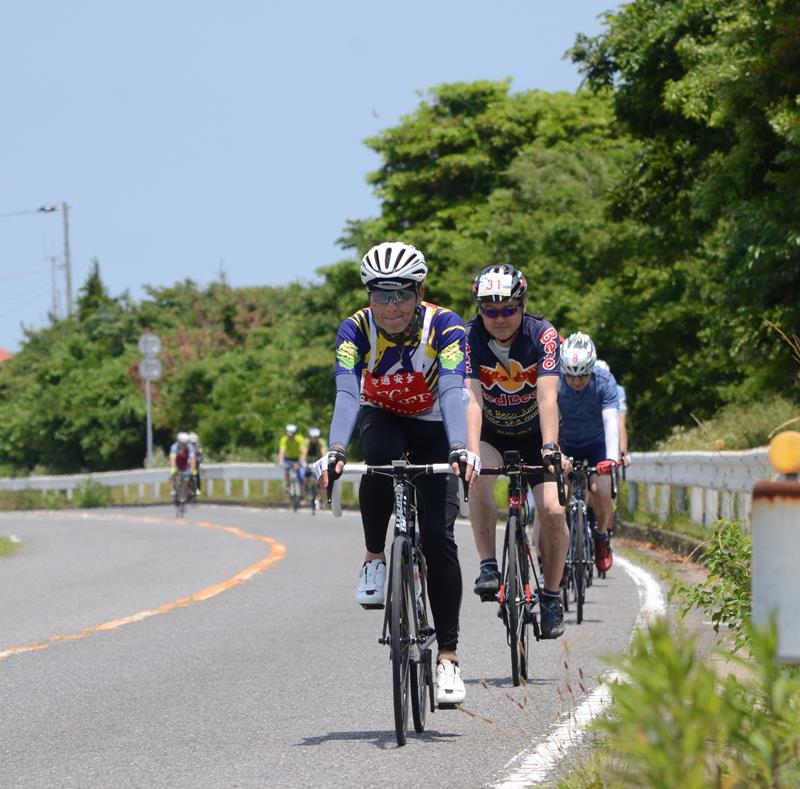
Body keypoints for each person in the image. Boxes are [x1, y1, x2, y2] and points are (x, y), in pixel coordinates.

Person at [315, 241, 478, 705]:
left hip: (434, 423)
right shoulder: (355, 330)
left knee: (438, 540)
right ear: (368, 294)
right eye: (380, 294)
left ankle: (448, 658)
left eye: (401, 294)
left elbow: (451, 390)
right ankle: (374, 557)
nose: (390, 306)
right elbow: (347, 393)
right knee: (379, 460)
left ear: (419, 291)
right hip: (380, 414)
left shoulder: (445, 327)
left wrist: (459, 449)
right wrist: (335, 449)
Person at [463, 264, 568, 639]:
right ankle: (489, 565)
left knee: (553, 510)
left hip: (536, 434)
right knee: (477, 479)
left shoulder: (543, 334)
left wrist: (551, 447)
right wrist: (471, 452)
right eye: (491, 311)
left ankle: (552, 595)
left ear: (522, 305)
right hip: (492, 432)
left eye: (509, 309)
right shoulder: (469, 337)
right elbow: (472, 400)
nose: (500, 319)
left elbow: (547, 395)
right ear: (480, 311)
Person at [558, 333, 619, 572]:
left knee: (601, 489)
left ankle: (602, 537)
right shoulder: (555, 380)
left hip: (596, 443)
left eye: (583, 374)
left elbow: (611, 421)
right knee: (559, 495)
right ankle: (559, 545)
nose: (577, 381)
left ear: (592, 368)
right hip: (566, 442)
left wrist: (611, 459)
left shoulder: (604, 381)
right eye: (571, 375)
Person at [277, 424, 306, 492]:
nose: (290, 437)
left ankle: (302, 493)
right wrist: (280, 460)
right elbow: (282, 451)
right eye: (289, 435)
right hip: (288, 458)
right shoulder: (284, 439)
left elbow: (303, 451)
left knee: (301, 475)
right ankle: (287, 484)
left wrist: (302, 460)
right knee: (286, 469)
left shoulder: (300, 439)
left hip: (297, 458)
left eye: (292, 435)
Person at [169, 431, 196, 497]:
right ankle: (174, 489)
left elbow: (192, 459)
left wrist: (192, 469)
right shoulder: (174, 447)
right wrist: (173, 468)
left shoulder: (190, 447)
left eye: (185, 443)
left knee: (187, 477)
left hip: (186, 464)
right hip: (177, 463)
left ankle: (185, 492)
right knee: (173, 474)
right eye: (182, 443)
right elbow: (172, 458)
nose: (184, 445)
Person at [304, 427, 328, 499]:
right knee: (306, 476)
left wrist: (324, 462)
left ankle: (321, 498)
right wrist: (304, 462)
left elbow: (323, 453)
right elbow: (304, 453)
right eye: (313, 437)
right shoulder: (307, 442)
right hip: (309, 460)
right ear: (310, 437)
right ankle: (306, 490)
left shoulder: (321, 442)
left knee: (321, 479)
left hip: (318, 460)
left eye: (316, 437)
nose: (315, 439)